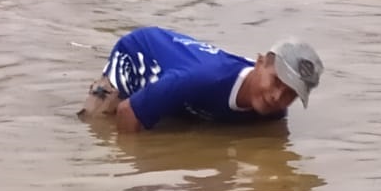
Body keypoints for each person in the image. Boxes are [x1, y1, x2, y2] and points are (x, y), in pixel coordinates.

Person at [78, 26, 324, 132]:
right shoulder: (202, 79)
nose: (276, 96)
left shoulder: (273, 111)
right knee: (96, 123)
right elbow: (127, 112)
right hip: (138, 55)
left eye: (290, 93)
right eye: (276, 81)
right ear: (260, 62)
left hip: (187, 72)